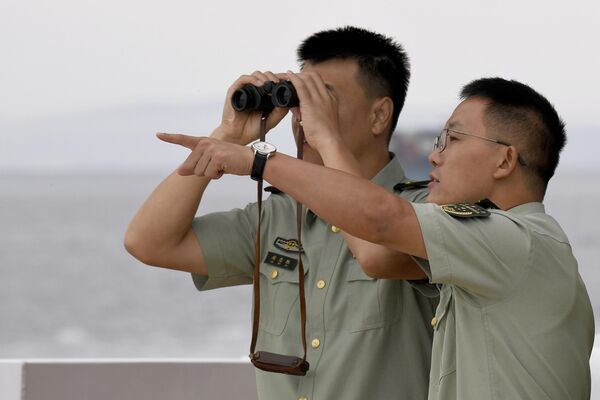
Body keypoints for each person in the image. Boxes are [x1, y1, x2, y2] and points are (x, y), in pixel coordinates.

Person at [171, 77, 595, 399]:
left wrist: (261, 160)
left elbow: (380, 220)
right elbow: (374, 247)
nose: (434, 154)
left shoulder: (515, 240)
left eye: (452, 138)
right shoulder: (502, 246)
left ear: (505, 160)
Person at [125, 26, 438, 400]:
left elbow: (377, 247)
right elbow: (148, 242)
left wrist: (324, 139)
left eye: (322, 100)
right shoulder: (277, 217)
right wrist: (227, 136)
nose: (303, 118)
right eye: (299, 101)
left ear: (379, 115)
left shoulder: (425, 215)